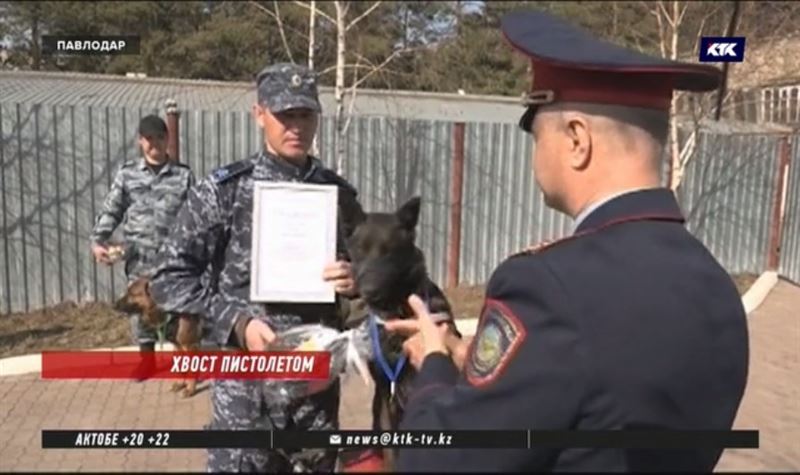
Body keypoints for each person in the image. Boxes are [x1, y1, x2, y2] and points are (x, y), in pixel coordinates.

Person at [384, 10, 750, 473]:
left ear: (577, 139)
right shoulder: (716, 286)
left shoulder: (547, 286)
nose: (535, 153)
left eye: (537, 134)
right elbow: (600, 395)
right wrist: (470, 361)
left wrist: (434, 367)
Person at [147, 62, 366, 473]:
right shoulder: (223, 191)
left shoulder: (338, 195)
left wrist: (356, 280)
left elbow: (371, 275)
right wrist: (237, 322)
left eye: (306, 114)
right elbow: (168, 278)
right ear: (259, 114)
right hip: (244, 404)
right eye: (285, 115)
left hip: (313, 401)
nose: (296, 126)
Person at [90, 114, 196, 371]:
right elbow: (112, 209)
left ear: (167, 139)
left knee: (177, 311)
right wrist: (98, 240)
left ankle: (182, 361)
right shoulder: (127, 175)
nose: (154, 144)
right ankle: (146, 361)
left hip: (172, 259)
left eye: (159, 137)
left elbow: (196, 215)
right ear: (140, 141)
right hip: (139, 256)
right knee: (140, 310)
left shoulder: (183, 176)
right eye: (149, 139)